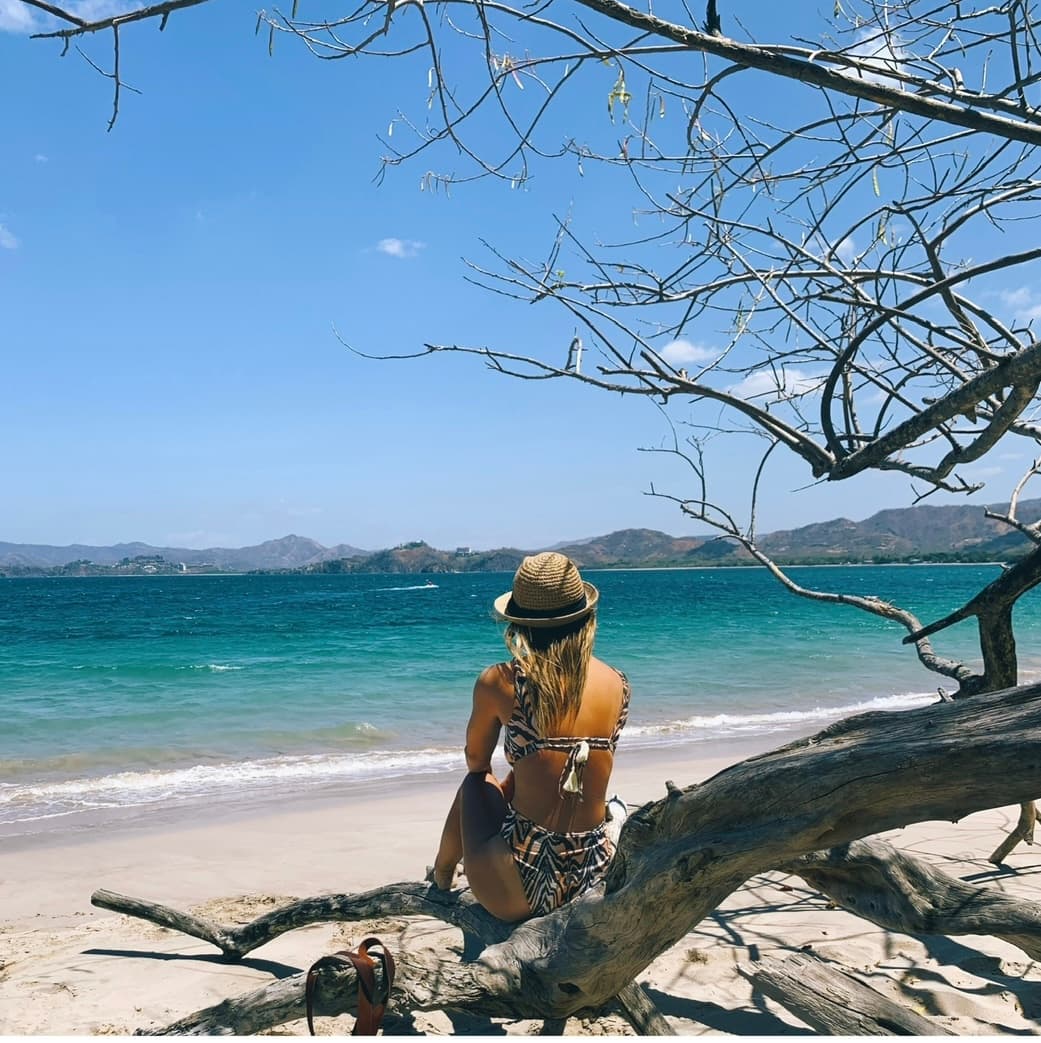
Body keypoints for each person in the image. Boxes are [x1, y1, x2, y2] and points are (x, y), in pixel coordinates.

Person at [430, 552, 630, 921]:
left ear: (520, 624)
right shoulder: (618, 683)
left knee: (476, 783)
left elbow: (475, 762)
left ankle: (441, 875)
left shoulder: (502, 682)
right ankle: (442, 871)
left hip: (518, 888)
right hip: (591, 879)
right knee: (516, 778)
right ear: (586, 617)